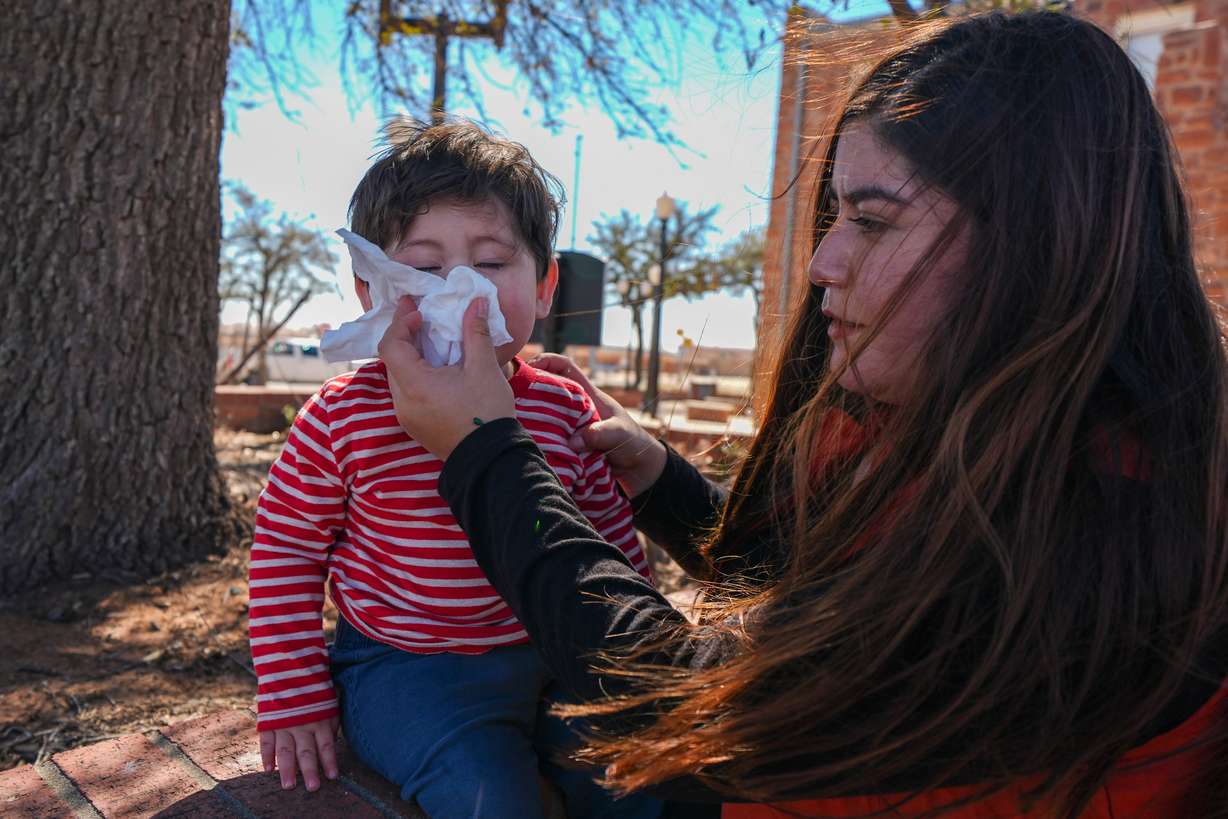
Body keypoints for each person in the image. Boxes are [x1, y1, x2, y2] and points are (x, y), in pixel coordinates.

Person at [374, 11, 1228, 819]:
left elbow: (696, 709)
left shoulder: (1114, 523)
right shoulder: (948, 426)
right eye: (834, 216)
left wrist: (485, 451)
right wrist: (665, 484)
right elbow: (815, 598)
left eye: (870, 221)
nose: (822, 261)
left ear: (1037, 242)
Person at [247, 118, 661, 819]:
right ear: (370, 290)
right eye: (426, 269)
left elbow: (609, 546)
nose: (461, 291)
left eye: (492, 264)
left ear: (545, 286)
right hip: (406, 666)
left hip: (555, 651)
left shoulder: (562, 407)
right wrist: (293, 689)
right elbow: (287, 547)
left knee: (640, 776)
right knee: (490, 798)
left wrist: (640, 655)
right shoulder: (344, 414)